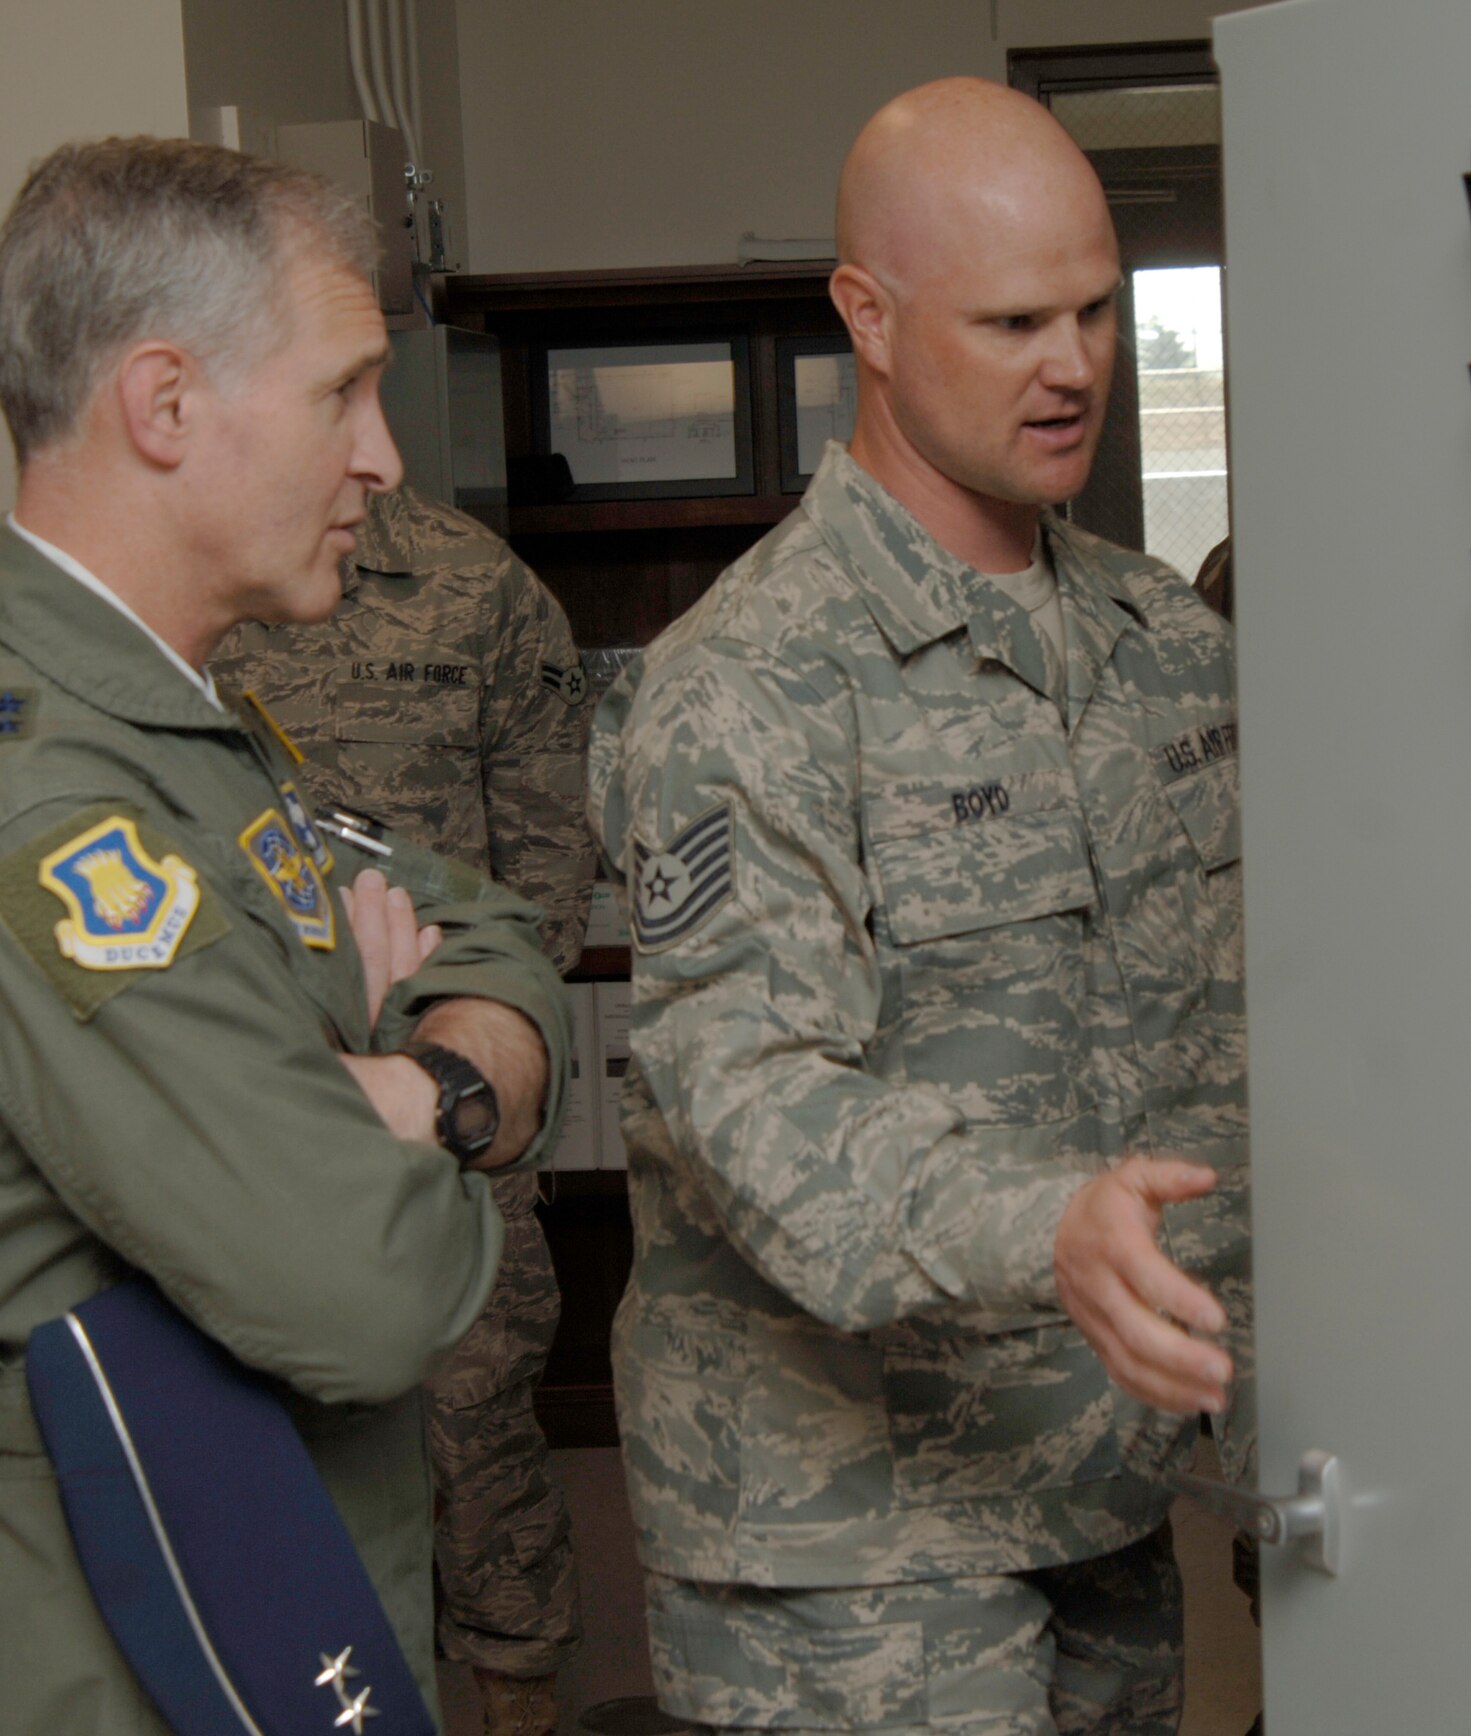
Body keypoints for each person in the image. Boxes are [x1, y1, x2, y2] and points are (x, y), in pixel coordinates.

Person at [0, 138, 571, 1734]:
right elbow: (360, 1288)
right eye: (340, 393)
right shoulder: (39, 805)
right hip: (137, 1627)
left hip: (280, 1569)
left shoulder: (174, 730)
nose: (379, 458)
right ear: (163, 406)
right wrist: (430, 1100)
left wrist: (424, 1087)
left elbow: (490, 929)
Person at [587, 78, 1250, 1734]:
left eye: (1097, 311)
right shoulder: (751, 685)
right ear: (866, 319)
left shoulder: (1164, 645)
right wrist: (1053, 1225)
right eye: (1016, 319)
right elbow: (753, 1098)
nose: (1076, 364)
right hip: (850, 1539)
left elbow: (1251, 1015)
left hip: (1099, 1477)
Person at [216, 482, 594, 1735]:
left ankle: (516, 1702)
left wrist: (462, 1033)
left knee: (479, 1442)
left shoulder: (473, 584)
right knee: (260, 1469)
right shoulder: (184, 571)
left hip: (453, 1120)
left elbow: (544, 862)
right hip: (234, 1123)